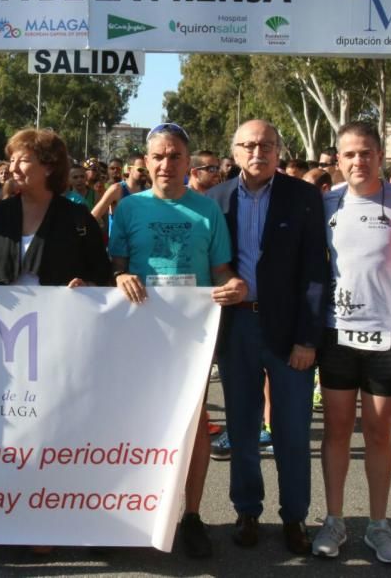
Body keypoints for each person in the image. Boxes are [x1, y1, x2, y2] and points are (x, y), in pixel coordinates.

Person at [109, 122, 247, 559]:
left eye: (175, 156)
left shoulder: (207, 211)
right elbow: (114, 267)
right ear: (146, 163)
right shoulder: (129, 209)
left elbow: (222, 271)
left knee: (193, 422)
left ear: (189, 163)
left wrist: (235, 286)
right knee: (137, 421)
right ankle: (134, 510)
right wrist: (120, 276)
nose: (166, 164)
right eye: (158, 156)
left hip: (191, 333)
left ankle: (191, 515)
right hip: (140, 331)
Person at [206, 119, 328, 556]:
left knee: (292, 430)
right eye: (249, 145)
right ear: (234, 151)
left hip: (290, 332)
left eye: (267, 145)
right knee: (241, 428)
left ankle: (295, 517)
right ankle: (247, 510)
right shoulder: (213, 200)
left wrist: (308, 339)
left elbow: (317, 273)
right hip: (236, 326)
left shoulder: (304, 197)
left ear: (279, 151)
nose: (258, 152)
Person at [311, 122, 391, 563]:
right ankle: (335, 519)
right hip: (338, 331)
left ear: (381, 157)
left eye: (366, 153)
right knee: (337, 429)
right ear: (337, 160)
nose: (358, 161)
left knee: (380, 432)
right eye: (349, 155)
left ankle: (379, 525)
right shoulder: (324, 204)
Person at [0, 128, 110, 292]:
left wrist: (87, 286)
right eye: (12, 160)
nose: (12, 168)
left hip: (58, 316)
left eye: (23, 160)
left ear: (49, 167)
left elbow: (102, 273)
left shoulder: (78, 218)